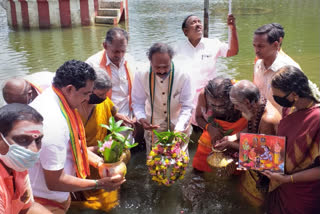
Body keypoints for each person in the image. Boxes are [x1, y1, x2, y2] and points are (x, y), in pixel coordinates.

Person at [28, 60, 125, 213]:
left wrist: (100, 163)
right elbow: (55, 181)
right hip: (44, 202)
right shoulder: (53, 121)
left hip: (55, 197)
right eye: (86, 93)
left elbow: (74, 146)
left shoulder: (56, 95)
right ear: (70, 89)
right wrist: (99, 184)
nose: (88, 99)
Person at [261, 65, 320, 214]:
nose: (276, 100)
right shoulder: (290, 108)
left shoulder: (317, 119)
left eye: (278, 97)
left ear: (294, 94)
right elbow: (285, 141)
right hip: (280, 181)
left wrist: (288, 179)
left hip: (304, 191)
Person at [216, 80, 281, 206]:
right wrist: (234, 136)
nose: (235, 108)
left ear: (246, 102)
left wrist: (231, 146)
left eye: (236, 104)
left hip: (268, 175)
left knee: (257, 205)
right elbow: (253, 127)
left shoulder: (268, 120)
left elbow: (265, 159)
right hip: (255, 169)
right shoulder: (257, 104)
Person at [175, 14, 239, 125]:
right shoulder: (176, 48)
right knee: (187, 127)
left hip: (209, 96)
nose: (198, 24)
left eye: (199, 21)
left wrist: (232, 29)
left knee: (210, 126)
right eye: (193, 22)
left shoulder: (213, 43)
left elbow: (233, 51)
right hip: (186, 97)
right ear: (185, 31)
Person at [75, 68, 124, 212]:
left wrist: (120, 117)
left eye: (105, 94)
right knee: (90, 204)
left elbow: (112, 110)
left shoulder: (103, 101)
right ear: (89, 91)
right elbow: (71, 145)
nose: (103, 97)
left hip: (103, 161)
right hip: (82, 164)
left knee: (110, 202)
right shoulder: (74, 108)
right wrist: (95, 149)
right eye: (100, 94)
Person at [132, 43, 194, 154]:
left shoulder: (184, 74)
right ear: (150, 62)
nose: (161, 71)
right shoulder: (141, 74)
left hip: (179, 120)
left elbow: (187, 106)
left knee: (180, 156)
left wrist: (179, 128)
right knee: (154, 158)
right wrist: (141, 118)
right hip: (153, 123)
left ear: (171, 60)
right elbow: (137, 102)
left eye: (166, 66)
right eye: (157, 67)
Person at [0, 103, 51, 213]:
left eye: (38, 141)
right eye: (22, 140)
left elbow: (27, 207)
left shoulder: (16, 166)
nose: (33, 149)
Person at [192, 78, 247, 172]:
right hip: (213, 131)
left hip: (238, 133)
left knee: (236, 168)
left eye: (222, 105)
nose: (217, 108)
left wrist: (235, 137)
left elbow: (253, 126)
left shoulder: (241, 97)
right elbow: (198, 117)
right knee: (199, 166)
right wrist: (209, 128)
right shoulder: (203, 95)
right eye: (212, 105)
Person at [86, 27, 135, 128]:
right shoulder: (92, 65)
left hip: (128, 117)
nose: (120, 55)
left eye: (123, 51)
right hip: (102, 119)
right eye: (116, 51)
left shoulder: (130, 60)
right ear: (105, 46)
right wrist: (114, 114)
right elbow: (85, 98)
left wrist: (136, 115)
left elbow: (136, 92)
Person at [252, 24, 301, 113]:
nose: (256, 50)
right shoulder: (258, 64)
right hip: (262, 118)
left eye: (261, 46)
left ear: (275, 45)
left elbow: (300, 102)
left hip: (282, 121)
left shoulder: (289, 69)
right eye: (254, 46)